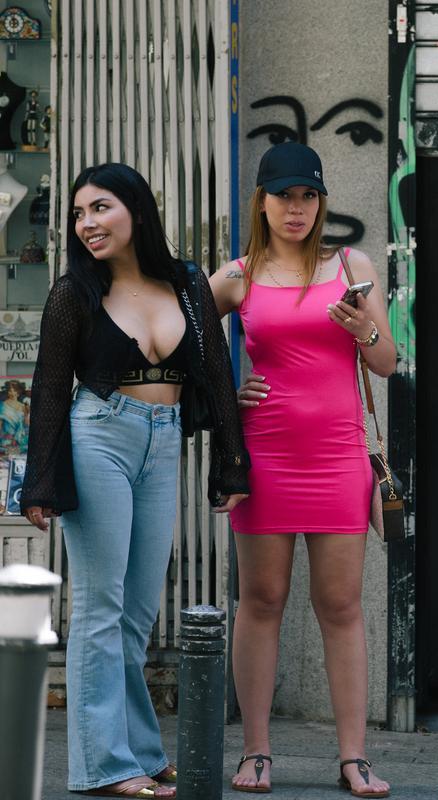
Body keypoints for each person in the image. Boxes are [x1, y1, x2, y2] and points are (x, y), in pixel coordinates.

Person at [22, 163, 250, 797]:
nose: (86, 224)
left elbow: (213, 373)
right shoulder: (74, 293)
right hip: (99, 434)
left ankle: (141, 753)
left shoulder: (185, 284)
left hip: (163, 443)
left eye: (100, 208)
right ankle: (104, 765)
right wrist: (40, 482)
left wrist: (234, 461)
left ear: (137, 211)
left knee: (138, 611)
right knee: (100, 606)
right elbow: (47, 386)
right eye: (78, 214)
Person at [210, 141, 394, 797]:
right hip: (264, 457)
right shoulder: (236, 276)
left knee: (340, 605)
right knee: (261, 601)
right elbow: (187, 343)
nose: (296, 208)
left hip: (339, 456)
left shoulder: (351, 266)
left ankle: (353, 758)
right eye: (284, 196)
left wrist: (362, 329)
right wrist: (224, 397)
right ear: (262, 201)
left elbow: (387, 363)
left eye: (307, 196)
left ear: (321, 203)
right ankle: (256, 752)